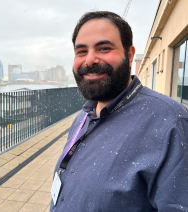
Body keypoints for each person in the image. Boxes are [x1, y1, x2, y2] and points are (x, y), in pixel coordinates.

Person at [50, 11, 188, 212]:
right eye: (81, 51)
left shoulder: (170, 122)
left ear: (130, 55)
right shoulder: (84, 115)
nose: (89, 60)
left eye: (104, 48)